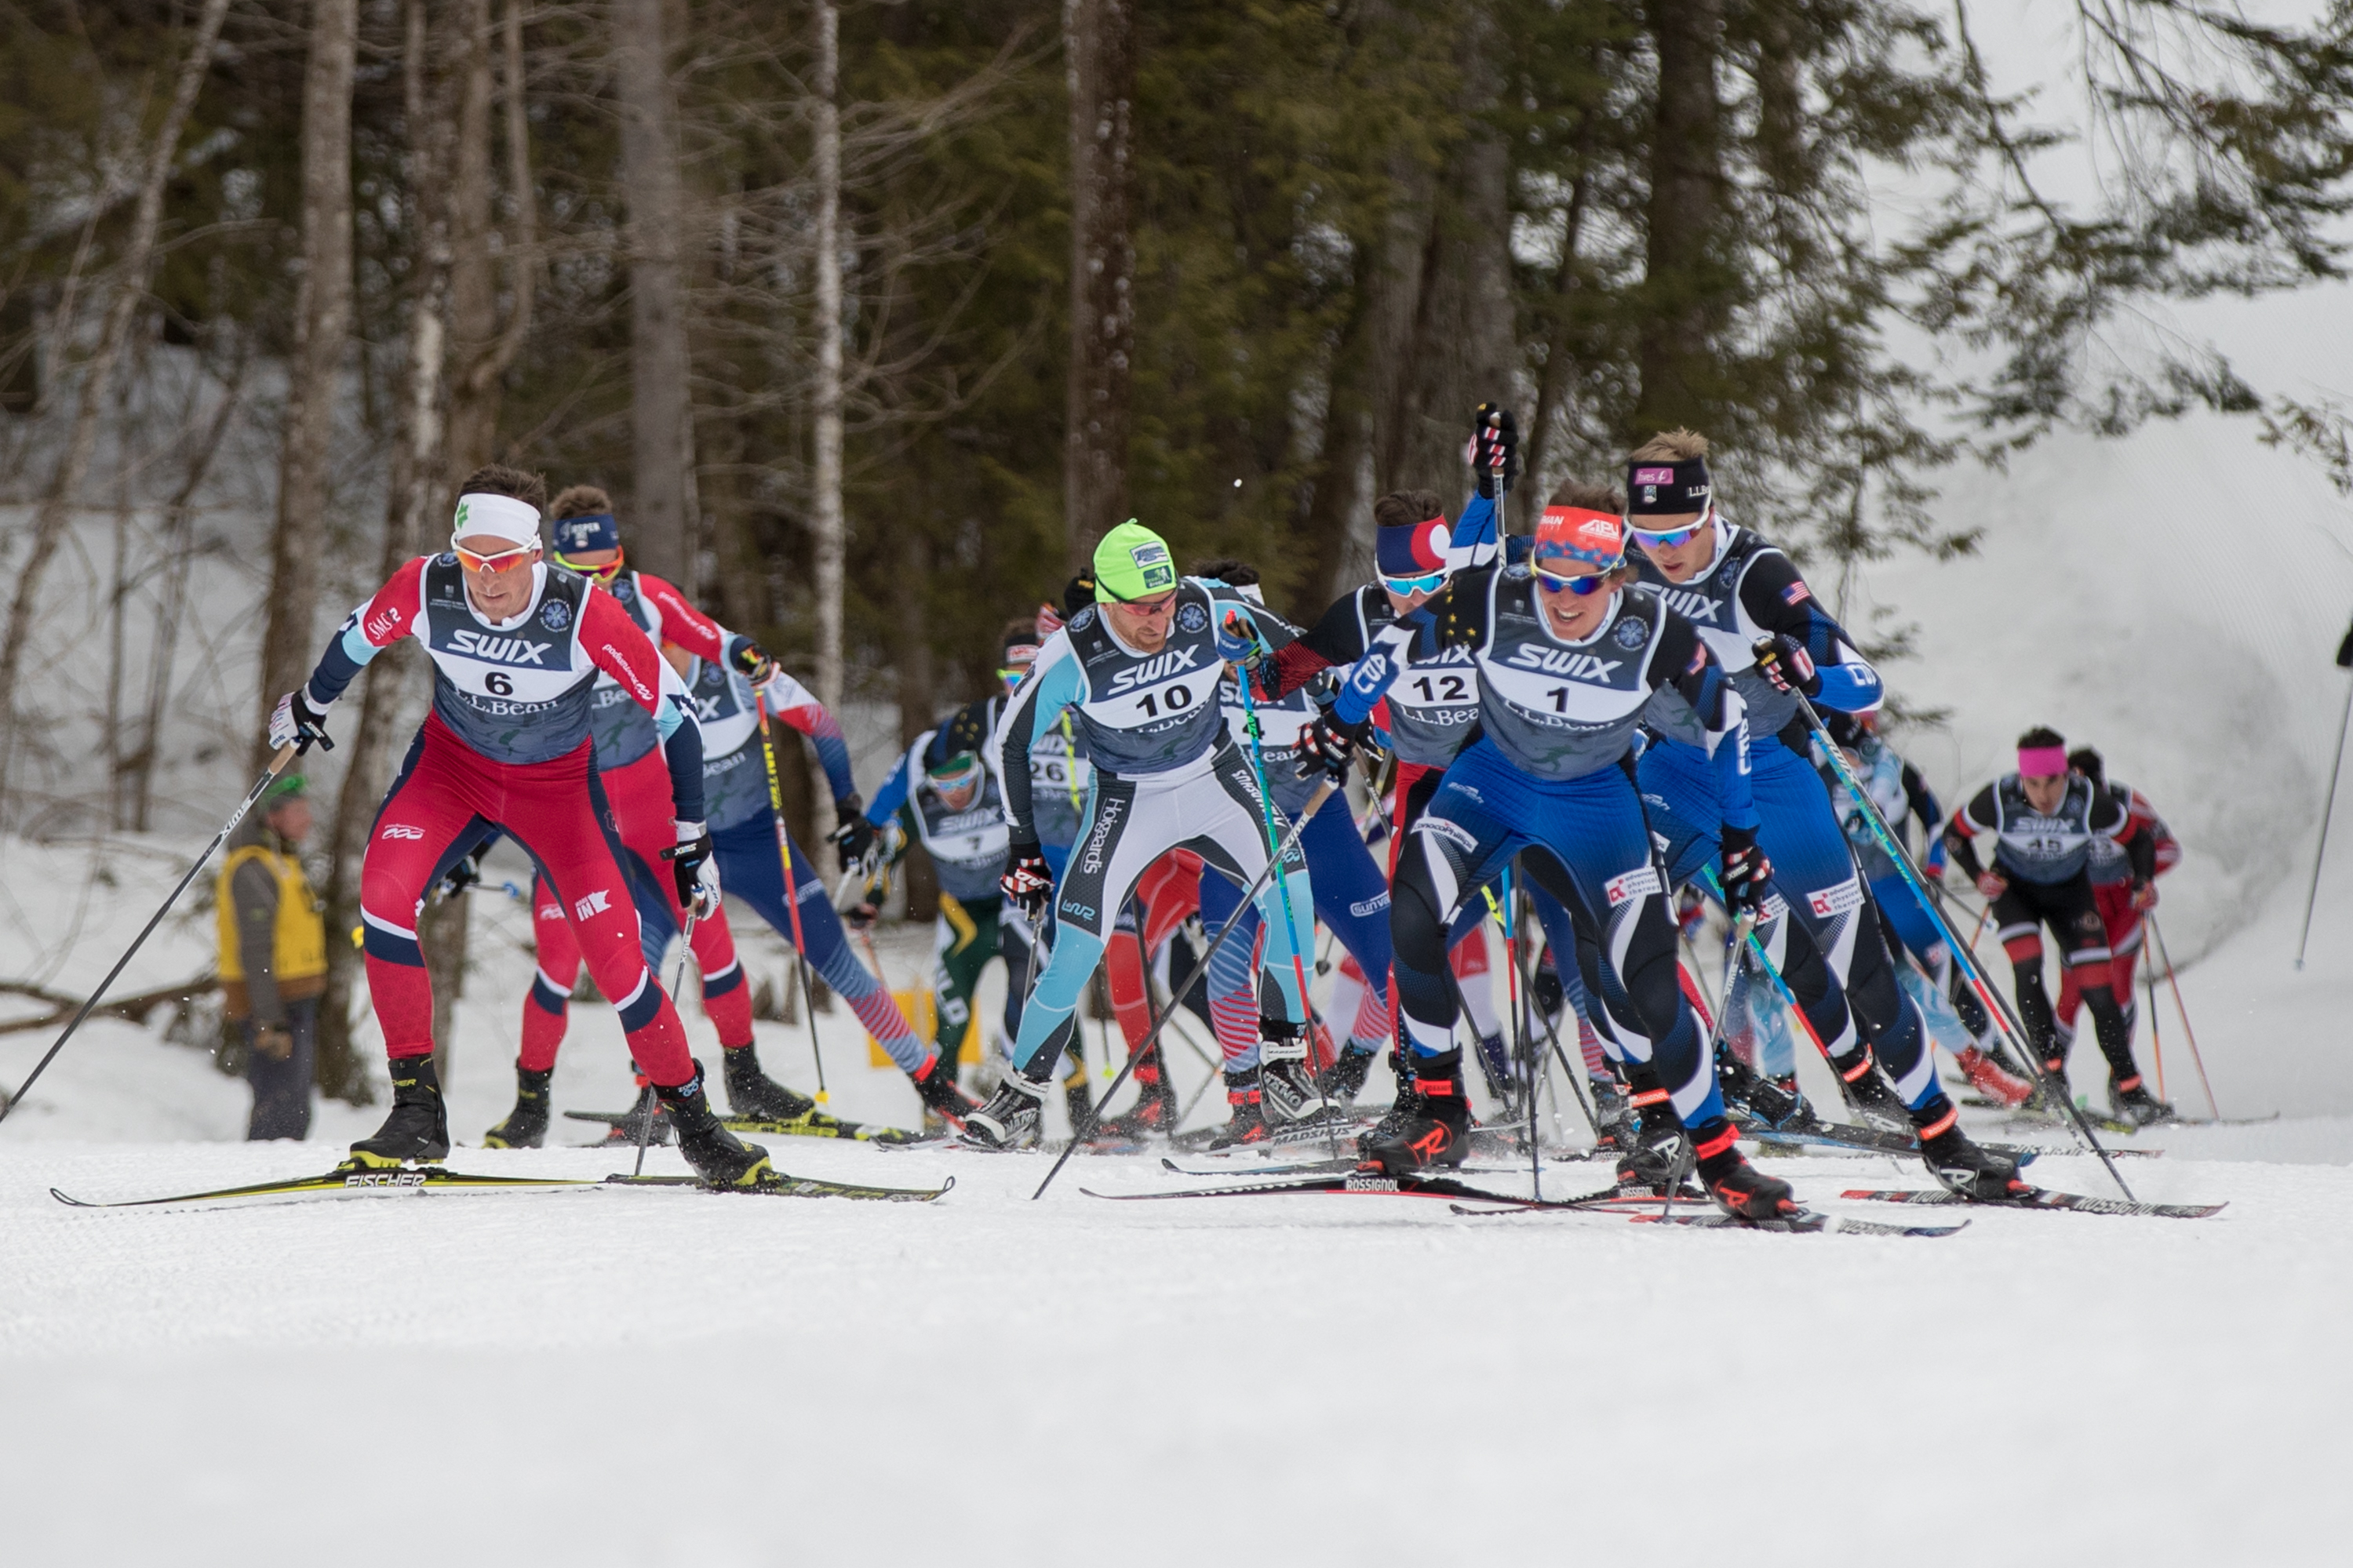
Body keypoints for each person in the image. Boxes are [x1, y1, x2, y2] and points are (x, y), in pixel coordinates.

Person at [267, 464, 767, 1185]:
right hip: (450, 772)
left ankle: (696, 1123)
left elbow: (677, 713)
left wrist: (691, 835)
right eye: (474, 560)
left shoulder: (583, 608)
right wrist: (310, 704)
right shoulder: (428, 584)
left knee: (618, 962)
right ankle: (417, 1113)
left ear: (537, 554)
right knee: (382, 898)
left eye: (503, 563)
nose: (486, 580)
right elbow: (355, 641)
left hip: (557, 791)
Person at [1304, 492, 1801, 1219]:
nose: (1564, 598)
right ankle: (1440, 1109)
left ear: (1616, 577)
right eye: (1550, 577)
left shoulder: (1651, 627)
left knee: (1638, 976)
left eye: (1584, 582)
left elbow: (1725, 715)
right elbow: (1396, 646)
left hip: (1593, 803)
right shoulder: (1494, 598)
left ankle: (1708, 1149)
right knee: (1410, 912)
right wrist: (1339, 724)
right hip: (1491, 783)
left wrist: (1741, 835)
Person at [1619, 431, 2023, 1198]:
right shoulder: (1623, 566)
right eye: (1647, 536)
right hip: (1669, 769)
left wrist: (1804, 667)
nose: (1661, 552)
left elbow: (1862, 686)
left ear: (1708, 511)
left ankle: (1939, 1133)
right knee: (1611, 932)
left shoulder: (1754, 572)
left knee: (1858, 963)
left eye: (1676, 535)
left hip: (1767, 769)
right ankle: (1656, 1123)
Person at [471, 487, 918, 1147]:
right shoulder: (517, 613)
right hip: (575, 804)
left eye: (610, 564)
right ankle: (531, 1106)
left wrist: (746, 655)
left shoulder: (646, 599)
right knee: (560, 957)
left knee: (707, 931)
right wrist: (476, 833)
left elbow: (714, 636)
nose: (602, 581)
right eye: (584, 570)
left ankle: (742, 1074)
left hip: (651, 796)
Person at [966, 520, 1321, 1149]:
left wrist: (1338, 710)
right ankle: (1022, 1093)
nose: (1158, 621)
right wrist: (1022, 848)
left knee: (1291, 893)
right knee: (1075, 941)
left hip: (1217, 780)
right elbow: (1011, 742)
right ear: (1105, 601)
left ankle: (1284, 1064)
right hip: (1129, 799)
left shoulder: (1203, 607)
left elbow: (1301, 651)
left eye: (1164, 605)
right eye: (1141, 611)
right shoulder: (1073, 653)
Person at [1942, 727, 2170, 1123]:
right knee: (2028, 964)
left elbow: (2140, 840)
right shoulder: (2000, 796)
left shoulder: (2087, 801)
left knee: (2100, 988)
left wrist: (2142, 882)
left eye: (2053, 782)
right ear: (2022, 778)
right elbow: (1954, 836)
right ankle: (2052, 1076)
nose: (2043, 795)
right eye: (2033, 783)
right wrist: (1978, 874)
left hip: (2070, 894)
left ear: (2067, 776)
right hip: (2017, 894)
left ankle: (2131, 1090)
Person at [1814, 709, 2034, 1107]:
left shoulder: (1894, 769)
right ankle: (1871, 1092)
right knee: (1868, 992)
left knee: (1948, 978)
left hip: (1902, 893)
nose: (1861, 748)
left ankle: (1997, 1066)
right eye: (1848, 747)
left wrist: (1932, 870)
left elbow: (1933, 820)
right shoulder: (1821, 778)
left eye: (1868, 730)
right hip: (1855, 899)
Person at [851, 696, 1021, 1123]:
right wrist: (871, 902)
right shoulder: (919, 806)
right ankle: (938, 1115)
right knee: (951, 1016)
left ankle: (1068, 1108)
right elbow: (888, 854)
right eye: (945, 786)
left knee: (1035, 1005)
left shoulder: (1005, 787)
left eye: (964, 781)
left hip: (1015, 908)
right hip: (963, 920)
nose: (957, 794)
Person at [2053, 746, 2182, 1067]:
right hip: (2082, 904)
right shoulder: (2055, 807)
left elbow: (2168, 850)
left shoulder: (2128, 803)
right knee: (2072, 993)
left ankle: (2123, 1085)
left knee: (2119, 989)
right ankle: (2050, 1079)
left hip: (2124, 905)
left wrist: (2142, 879)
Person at [216, 773, 325, 1141]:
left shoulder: (283, 862)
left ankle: (282, 1168)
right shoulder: (254, 868)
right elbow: (255, 949)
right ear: (272, 817)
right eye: (298, 811)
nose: (307, 819)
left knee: (293, 1103)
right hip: (275, 1005)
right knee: (280, 1104)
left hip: (294, 1001)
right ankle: (264, 1172)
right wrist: (269, 1021)